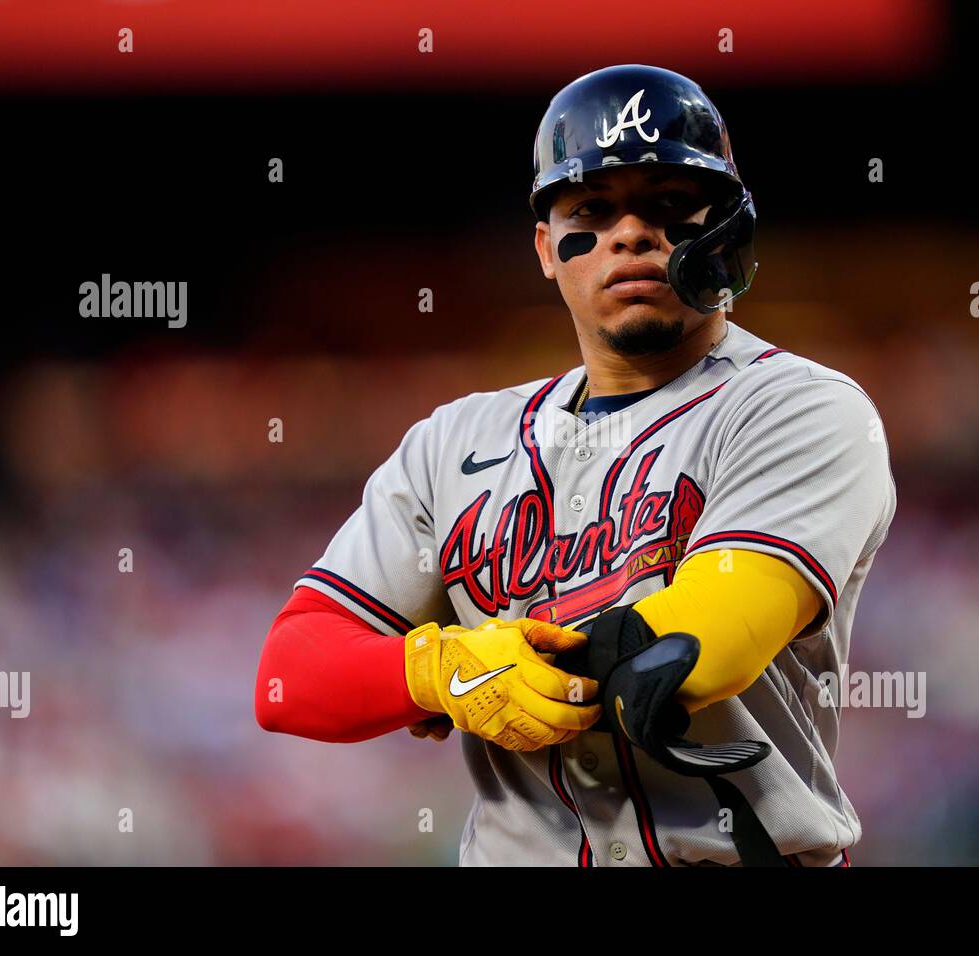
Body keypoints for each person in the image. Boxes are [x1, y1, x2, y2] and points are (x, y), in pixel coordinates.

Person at [255, 64, 896, 867]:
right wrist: (440, 668)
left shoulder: (801, 407)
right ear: (546, 249)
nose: (630, 233)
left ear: (728, 227)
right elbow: (288, 676)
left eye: (669, 202)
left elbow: (693, 651)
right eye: (592, 208)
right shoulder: (452, 442)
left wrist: (486, 665)